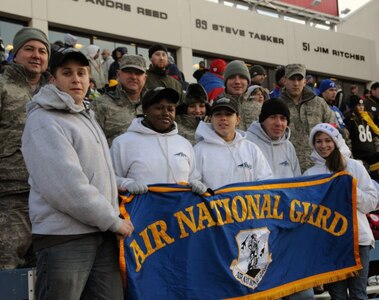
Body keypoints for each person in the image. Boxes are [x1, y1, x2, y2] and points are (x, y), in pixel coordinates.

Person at [21, 47, 133, 300]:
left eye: (81, 73)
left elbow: (96, 173)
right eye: (67, 72)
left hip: (100, 233)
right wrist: (113, 221)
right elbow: (66, 186)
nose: (76, 79)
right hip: (65, 238)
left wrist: (120, 186)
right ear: (53, 79)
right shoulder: (44, 120)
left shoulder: (86, 115)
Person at [304, 123, 377, 300]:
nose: (323, 145)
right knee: (337, 295)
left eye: (328, 140)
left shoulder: (354, 166)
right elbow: (307, 212)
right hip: (330, 242)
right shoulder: (310, 174)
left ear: (336, 141)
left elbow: (371, 202)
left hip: (358, 240)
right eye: (319, 141)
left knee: (358, 293)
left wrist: (350, 190)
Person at [0, 27, 50, 270]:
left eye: (42, 51)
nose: (36, 55)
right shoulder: (3, 85)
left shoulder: (53, 94)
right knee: (6, 266)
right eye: (29, 49)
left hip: (47, 196)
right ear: (15, 53)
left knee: (39, 271)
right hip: (9, 195)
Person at [110, 87, 206, 195]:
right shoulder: (123, 143)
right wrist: (126, 183)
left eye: (170, 109)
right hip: (141, 210)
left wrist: (195, 183)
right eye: (159, 108)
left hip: (178, 210)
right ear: (145, 110)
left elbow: (193, 177)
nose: (166, 113)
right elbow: (109, 178)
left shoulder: (184, 144)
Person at [194, 96, 273, 190]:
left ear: (238, 119)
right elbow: (193, 181)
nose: (223, 118)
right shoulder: (199, 150)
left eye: (228, 114)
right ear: (211, 119)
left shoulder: (252, 149)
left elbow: (266, 182)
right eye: (218, 114)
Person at [278, 64, 337, 172]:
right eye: (292, 79)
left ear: (304, 81)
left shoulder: (319, 103)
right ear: (285, 80)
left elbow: (335, 132)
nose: (296, 83)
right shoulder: (277, 105)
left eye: (299, 79)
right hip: (288, 168)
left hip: (320, 168)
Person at [91, 54, 147, 146]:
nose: (133, 77)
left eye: (138, 73)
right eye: (128, 71)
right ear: (118, 74)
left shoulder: (153, 105)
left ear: (145, 78)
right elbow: (91, 142)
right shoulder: (100, 104)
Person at [246, 98, 301, 179]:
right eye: (273, 117)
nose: (278, 123)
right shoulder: (248, 142)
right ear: (262, 121)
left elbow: (297, 180)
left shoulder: (288, 146)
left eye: (282, 118)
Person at [216, 60, 260, 131]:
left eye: (242, 77)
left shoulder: (259, 108)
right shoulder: (216, 107)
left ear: (248, 82)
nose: (237, 81)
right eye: (232, 77)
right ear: (226, 82)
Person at [346, 95, 379, 169]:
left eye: (362, 105)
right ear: (353, 107)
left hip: (372, 154)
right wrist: (351, 157)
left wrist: (377, 150)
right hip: (360, 156)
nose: (361, 107)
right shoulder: (350, 120)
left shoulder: (367, 118)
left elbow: (374, 137)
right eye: (358, 105)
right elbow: (348, 140)